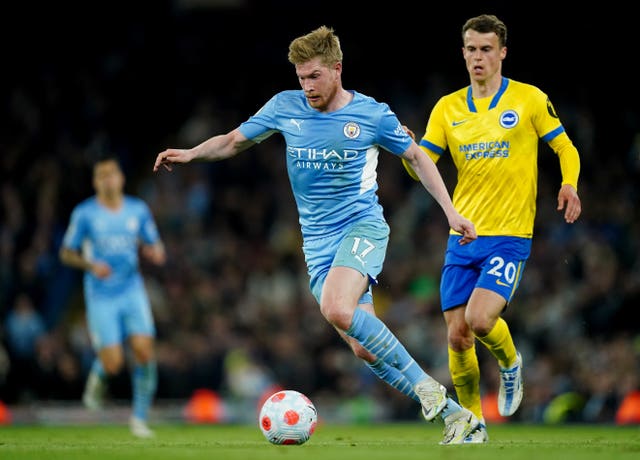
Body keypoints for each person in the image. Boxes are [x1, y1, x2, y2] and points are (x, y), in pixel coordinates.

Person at [154, 25, 481, 445]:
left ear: (336, 69)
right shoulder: (284, 107)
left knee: (337, 307)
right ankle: (460, 419)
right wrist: (193, 153)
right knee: (364, 347)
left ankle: (426, 388)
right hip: (317, 244)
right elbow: (235, 141)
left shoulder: (371, 114)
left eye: (314, 76)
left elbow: (416, 156)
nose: (306, 86)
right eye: (300, 77)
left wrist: (450, 211)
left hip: (362, 227)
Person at [402, 14, 582, 443]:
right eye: (471, 49)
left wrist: (570, 183)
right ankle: (471, 425)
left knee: (481, 320)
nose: (477, 57)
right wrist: (408, 151)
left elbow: (564, 146)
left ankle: (509, 362)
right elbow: (423, 168)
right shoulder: (448, 107)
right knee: (458, 335)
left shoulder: (529, 99)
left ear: (502, 52)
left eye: (486, 49)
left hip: (510, 234)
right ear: (462, 53)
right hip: (463, 233)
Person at [60, 154, 166, 438]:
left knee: (144, 351)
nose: (108, 180)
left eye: (112, 174)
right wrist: (91, 265)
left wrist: (154, 252)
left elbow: (155, 245)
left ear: (121, 179)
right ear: (96, 182)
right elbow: (66, 252)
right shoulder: (85, 214)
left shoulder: (137, 210)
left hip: (132, 289)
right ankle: (98, 376)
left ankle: (140, 419)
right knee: (114, 363)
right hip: (101, 295)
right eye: (102, 176)